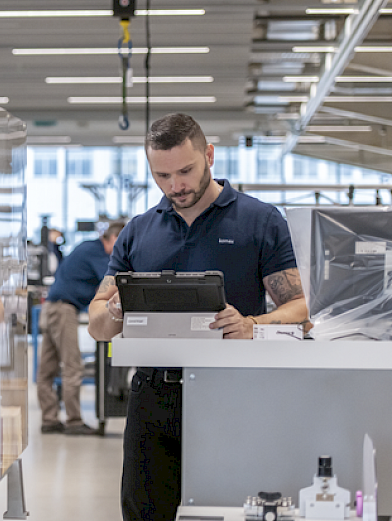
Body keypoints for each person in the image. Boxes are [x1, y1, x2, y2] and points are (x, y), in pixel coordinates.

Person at [87, 113, 310, 521]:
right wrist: (116, 309)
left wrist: (251, 325)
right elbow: (98, 325)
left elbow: (301, 311)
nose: (176, 186)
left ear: (209, 155)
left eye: (186, 171)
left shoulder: (259, 221)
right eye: (162, 176)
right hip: (152, 398)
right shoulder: (138, 232)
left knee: (229, 509)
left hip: (231, 393)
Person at [37, 221, 125, 435]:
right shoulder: (97, 253)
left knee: (47, 369)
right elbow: (110, 282)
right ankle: (74, 421)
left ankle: (49, 419)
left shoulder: (87, 247)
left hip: (50, 307)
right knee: (72, 366)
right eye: (122, 243)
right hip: (63, 310)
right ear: (113, 238)